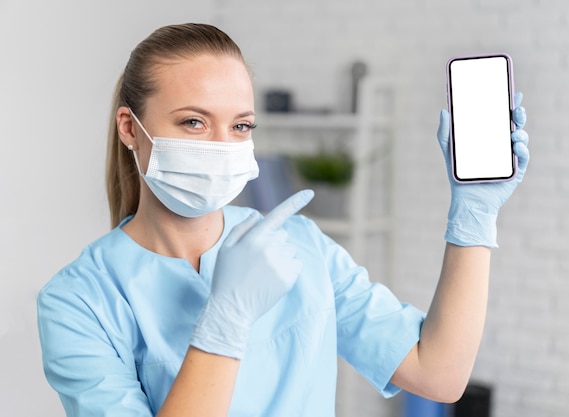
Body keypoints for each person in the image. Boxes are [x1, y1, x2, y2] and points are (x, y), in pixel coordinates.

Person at [37, 23, 530, 417]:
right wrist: (224, 318)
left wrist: (473, 216)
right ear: (131, 127)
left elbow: (438, 375)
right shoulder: (78, 301)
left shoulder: (295, 243)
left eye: (241, 126)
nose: (221, 145)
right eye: (193, 121)